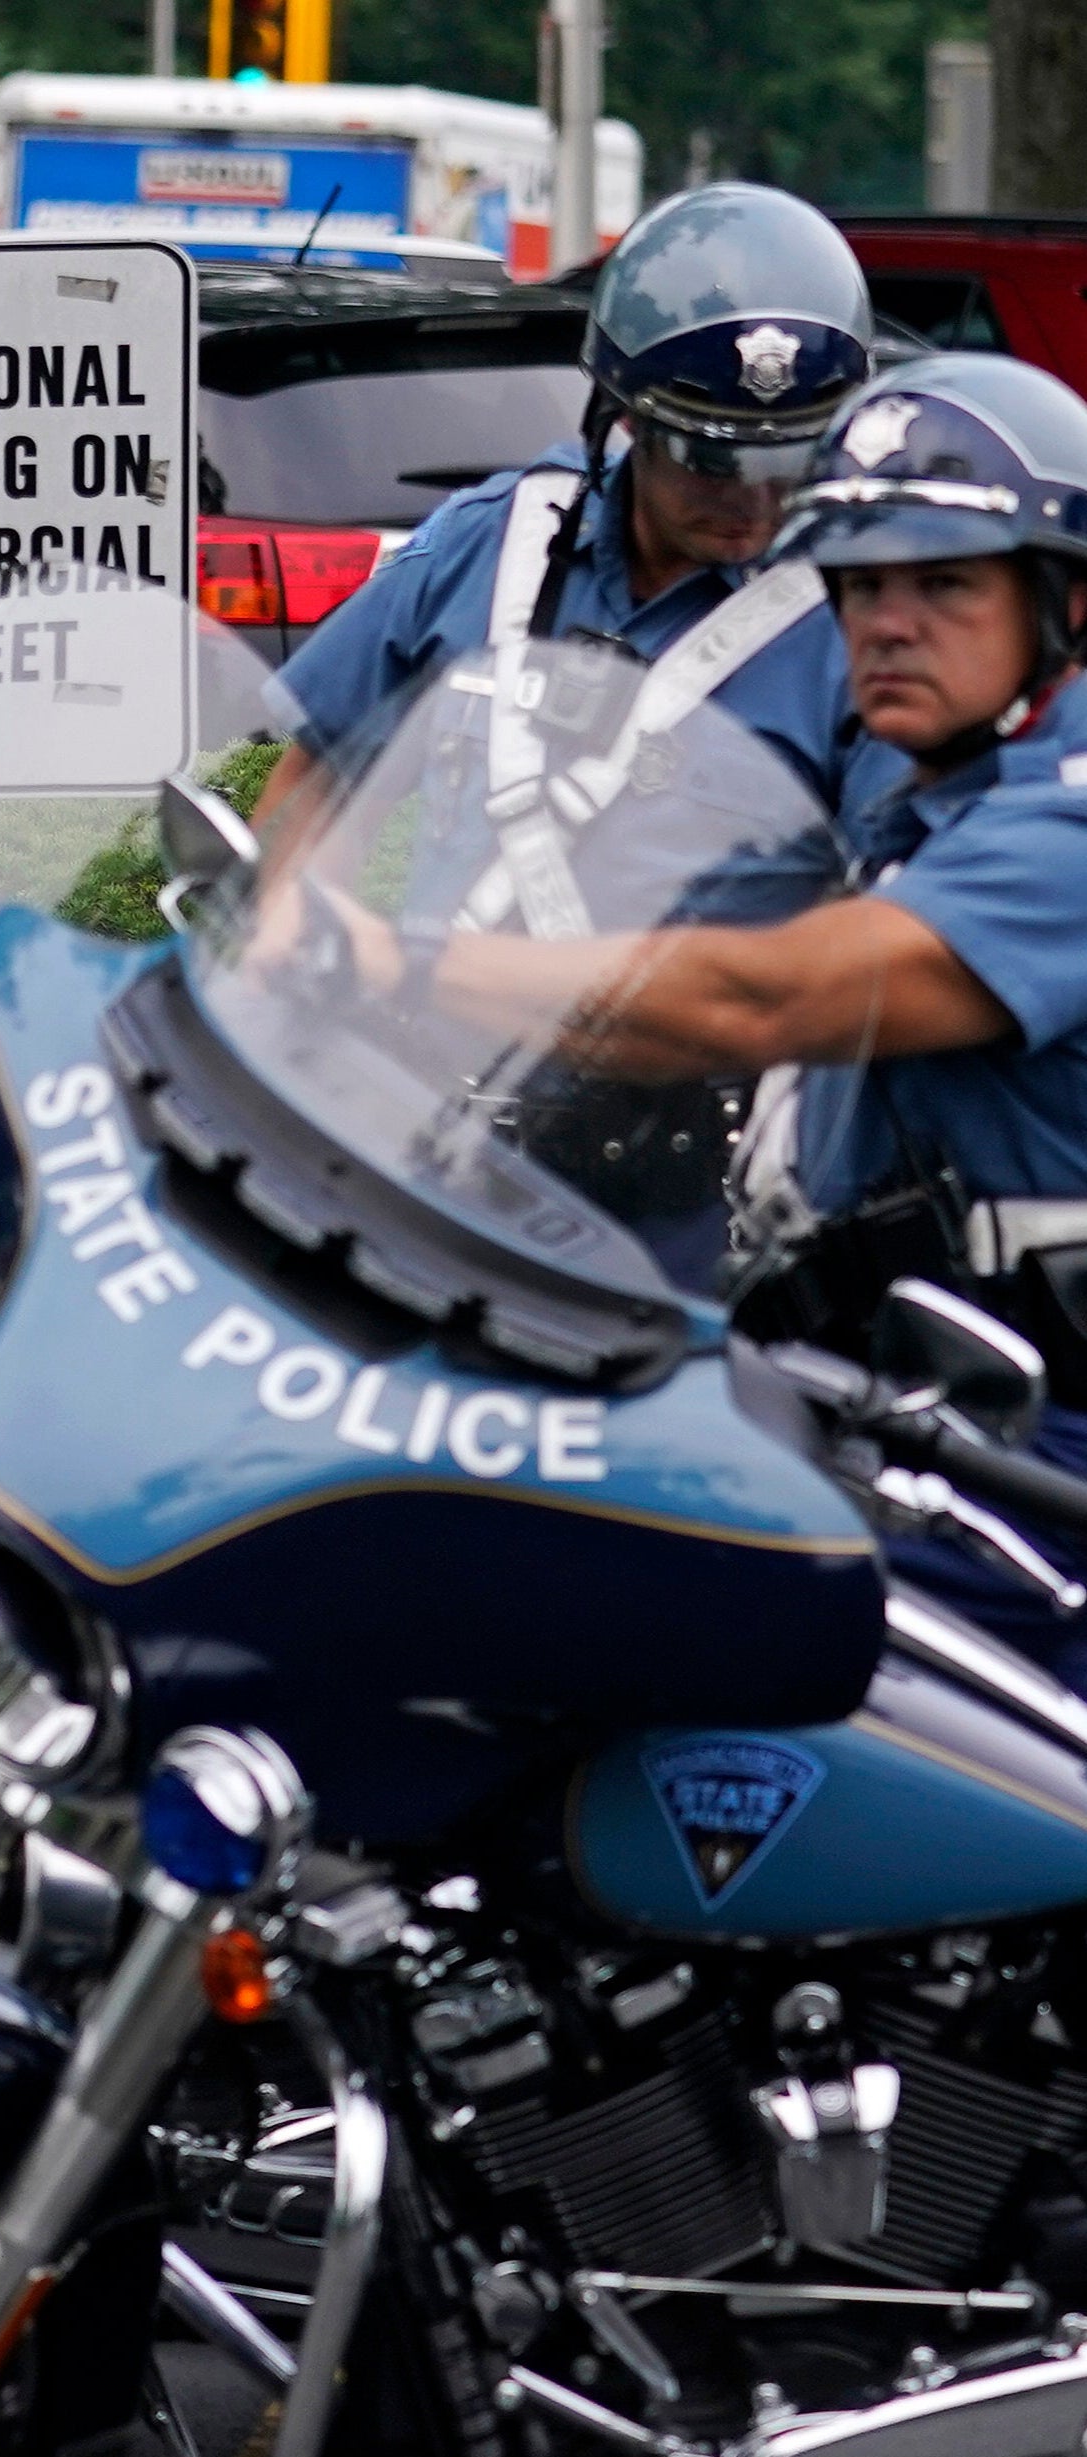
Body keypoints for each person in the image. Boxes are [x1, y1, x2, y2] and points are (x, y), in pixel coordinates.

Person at [298, 355, 1087, 1684]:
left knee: (600, 1665)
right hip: (877, 1394)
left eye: (943, 583)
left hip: (1028, 1446)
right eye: (860, 583)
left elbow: (756, 994)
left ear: (1062, 602)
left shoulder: (1061, 821)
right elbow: (661, 990)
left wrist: (393, 967)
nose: (887, 624)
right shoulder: (929, 800)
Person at [263, 184, 878, 831]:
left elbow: (906, 906)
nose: (754, 499)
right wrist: (280, 924)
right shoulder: (487, 546)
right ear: (624, 421)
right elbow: (315, 780)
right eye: (712, 465)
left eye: (789, 464)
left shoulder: (860, 621)